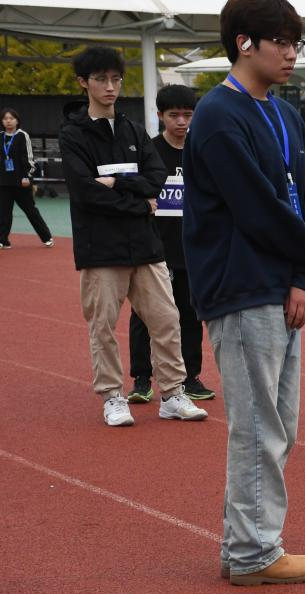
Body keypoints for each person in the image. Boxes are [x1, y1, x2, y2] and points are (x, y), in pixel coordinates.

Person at [183, 0, 305, 585]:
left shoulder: (286, 113)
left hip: (281, 281)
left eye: (295, 42)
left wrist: (304, 276)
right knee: (258, 426)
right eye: (281, 41)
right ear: (244, 42)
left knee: (280, 424)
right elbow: (257, 209)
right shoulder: (217, 115)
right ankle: (253, 552)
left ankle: (244, 544)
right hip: (242, 285)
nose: (292, 53)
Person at [60, 47, 206, 427]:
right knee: (103, 327)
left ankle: (172, 393)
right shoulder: (73, 135)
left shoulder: (133, 131)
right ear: (83, 82)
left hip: (145, 246)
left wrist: (116, 182)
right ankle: (112, 396)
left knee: (167, 319)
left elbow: (156, 179)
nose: (110, 87)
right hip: (100, 249)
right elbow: (86, 193)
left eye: (116, 79)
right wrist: (140, 203)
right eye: (101, 79)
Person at [126, 84, 215, 406]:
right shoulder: (149, 152)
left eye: (188, 115)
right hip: (154, 250)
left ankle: (190, 377)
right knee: (144, 315)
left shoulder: (201, 152)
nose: (181, 122)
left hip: (192, 251)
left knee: (191, 315)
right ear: (160, 115)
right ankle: (141, 378)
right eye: (174, 115)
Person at [0, 107, 53, 248]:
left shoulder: (22, 136)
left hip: (21, 182)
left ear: (17, 121)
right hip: (4, 182)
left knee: (30, 210)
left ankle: (46, 237)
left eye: (11, 118)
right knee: (4, 213)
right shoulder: (0, 136)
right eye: (5, 119)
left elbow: (29, 159)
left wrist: (27, 177)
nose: (8, 121)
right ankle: (3, 240)